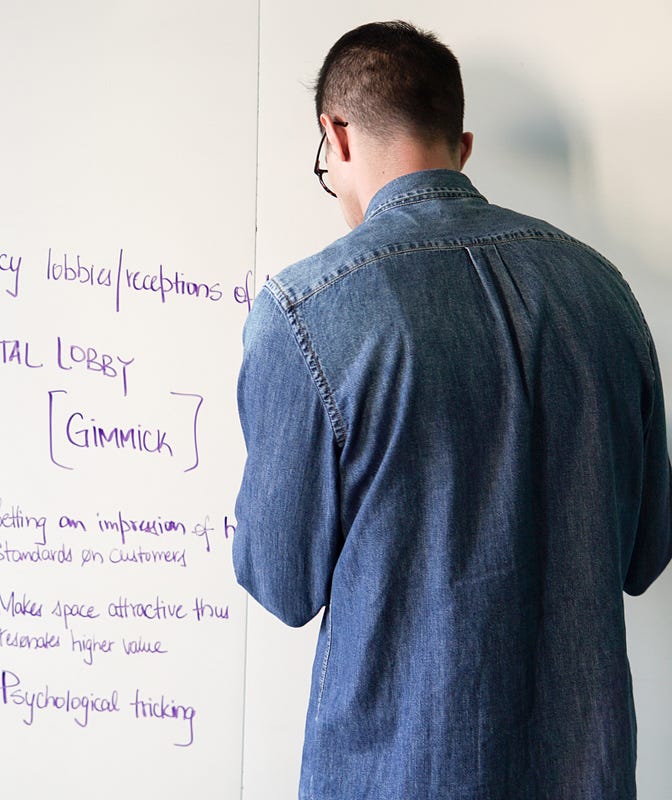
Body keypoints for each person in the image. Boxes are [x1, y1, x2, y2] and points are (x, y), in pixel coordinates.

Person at [232, 20, 671, 799]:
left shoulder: (306, 312)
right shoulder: (605, 292)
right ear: (461, 147)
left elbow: (282, 583)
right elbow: (646, 553)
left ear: (337, 135)